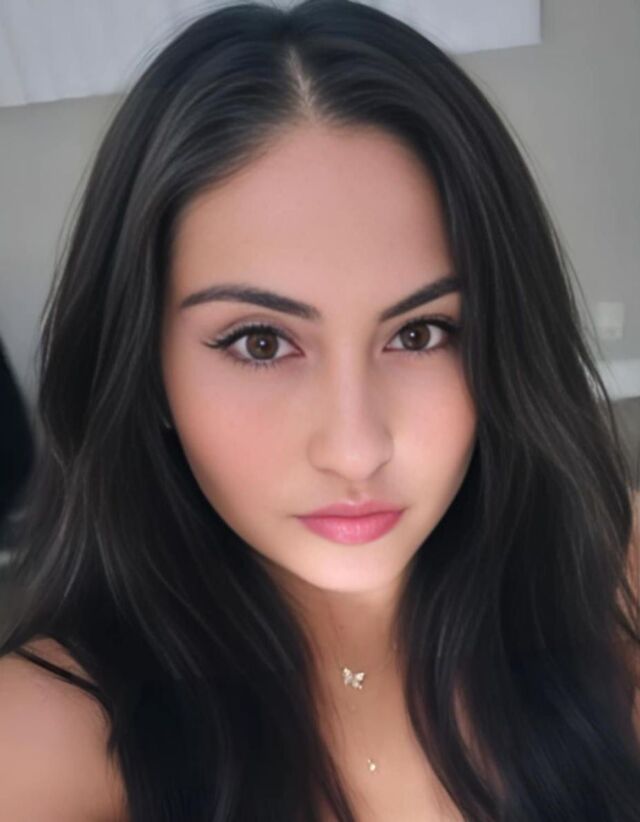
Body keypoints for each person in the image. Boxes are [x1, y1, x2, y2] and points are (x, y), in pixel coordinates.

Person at [0, 1, 638, 819]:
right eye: (261, 342)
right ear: (146, 369)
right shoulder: (51, 735)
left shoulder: (608, 571)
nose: (355, 447)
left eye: (420, 333)